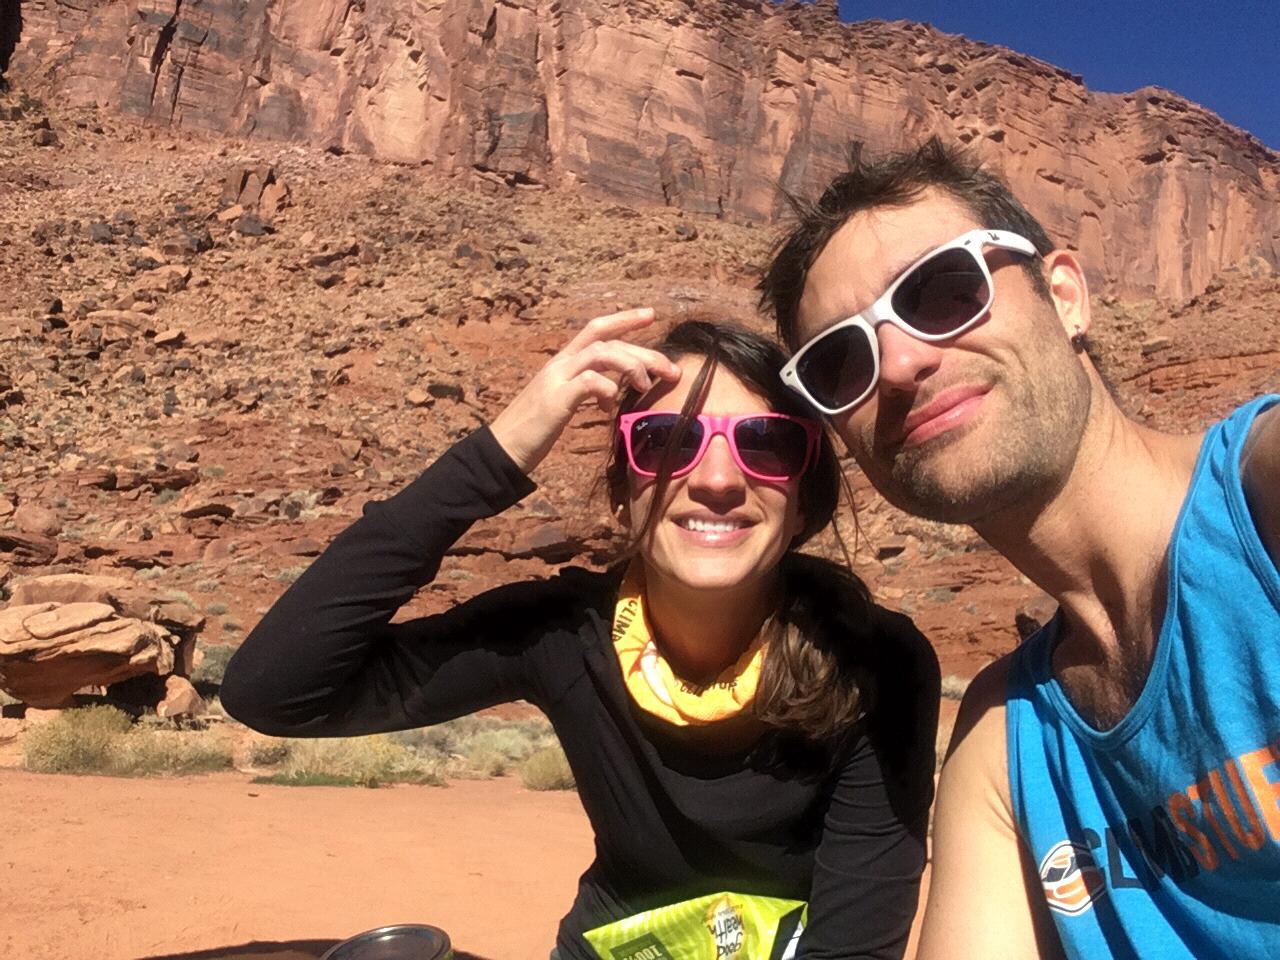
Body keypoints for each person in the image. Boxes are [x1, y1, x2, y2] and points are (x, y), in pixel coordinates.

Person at [220, 312, 940, 960]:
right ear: (625, 489)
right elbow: (278, 690)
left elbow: (851, 947)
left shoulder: (873, 663)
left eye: (767, 444)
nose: (718, 478)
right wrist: (505, 446)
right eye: (667, 442)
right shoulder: (560, 632)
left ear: (803, 495)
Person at [758, 137, 1280, 959]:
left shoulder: (1266, 494)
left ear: (1066, 296)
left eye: (939, 290)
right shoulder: (1004, 752)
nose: (898, 364)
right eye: (838, 362)